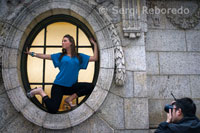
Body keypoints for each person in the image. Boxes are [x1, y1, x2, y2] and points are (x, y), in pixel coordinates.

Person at [25, 34, 98, 114]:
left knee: (91, 87)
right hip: (58, 86)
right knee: (53, 110)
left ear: (71, 43)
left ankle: (70, 99)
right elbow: (45, 56)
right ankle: (40, 91)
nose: (62, 42)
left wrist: (94, 44)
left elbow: (95, 58)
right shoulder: (60, 56)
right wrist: (32, 54)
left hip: (71, 86)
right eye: (62, 41)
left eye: (65, 41)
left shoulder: (79, 56)